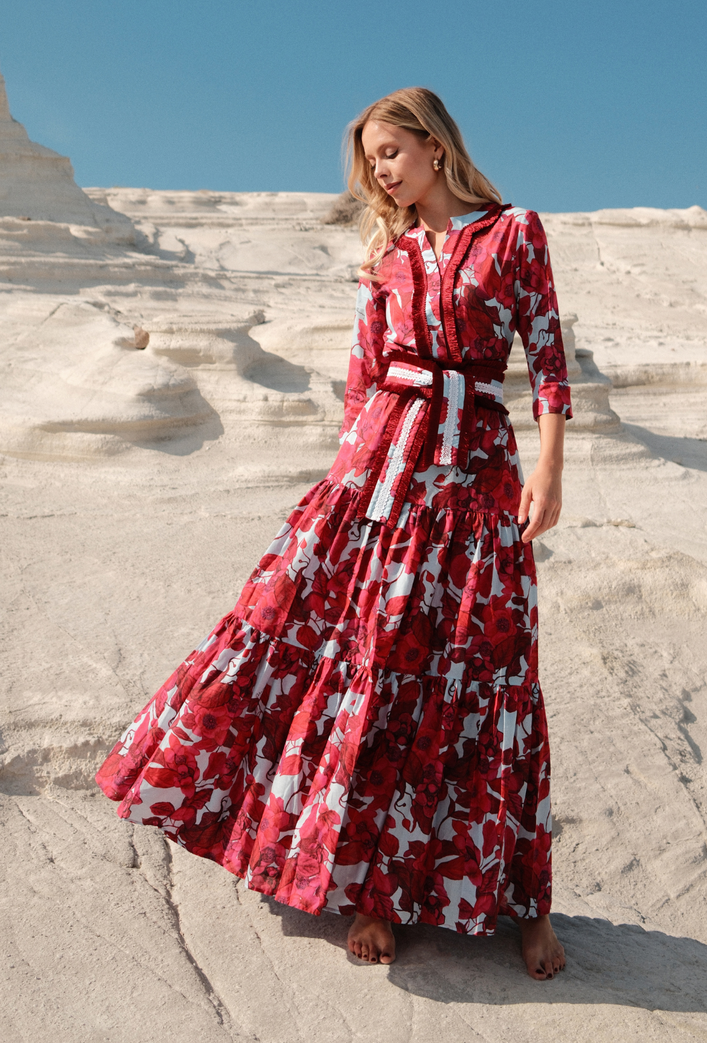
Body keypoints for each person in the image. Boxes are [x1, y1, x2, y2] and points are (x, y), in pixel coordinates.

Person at [96, 87, 571, 979]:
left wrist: (549, 467)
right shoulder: (386, 256)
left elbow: (546, 358)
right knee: (374, 657)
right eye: (370, 163)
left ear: (435, 146)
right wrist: (341, 493)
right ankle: (371, 888)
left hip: (475, 472)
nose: (380, 174)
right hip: (381, 467)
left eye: (390, 154)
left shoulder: (514, 233)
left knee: (490, 661)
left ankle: (525, 901)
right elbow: (362, 382)